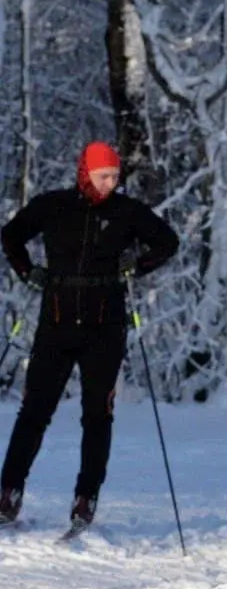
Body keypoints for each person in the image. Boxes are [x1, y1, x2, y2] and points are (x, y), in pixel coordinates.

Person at [0, 142, 178, 529]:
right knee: (34, 411)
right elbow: (10, 236)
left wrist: (138, 263)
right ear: (85, 172)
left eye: (115, 176)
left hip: (105, 327)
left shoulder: (126, 212)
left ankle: (86, 497)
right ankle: (8, 492)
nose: (110, 184)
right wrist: (28, 271)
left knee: (98, 415)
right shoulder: (54, 206)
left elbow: (168, 242)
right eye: (103, 176)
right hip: (57, 322)